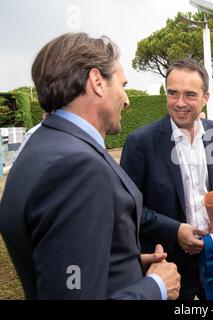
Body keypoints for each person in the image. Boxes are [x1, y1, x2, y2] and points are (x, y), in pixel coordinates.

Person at [0, 32, 180, 300]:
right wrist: (155, 287)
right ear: (97, 81)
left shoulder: (42, 144)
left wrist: (126, 263)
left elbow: (65, 269)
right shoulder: (77, 166)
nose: (127, 99)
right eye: (122, 84)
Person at [120, 58, 213, 300]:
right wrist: (175, 230)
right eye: (173, 93)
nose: (180, 103)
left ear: (206, 97)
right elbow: (128, 209)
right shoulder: (140, 143)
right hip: (168, 267)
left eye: (189, 95)